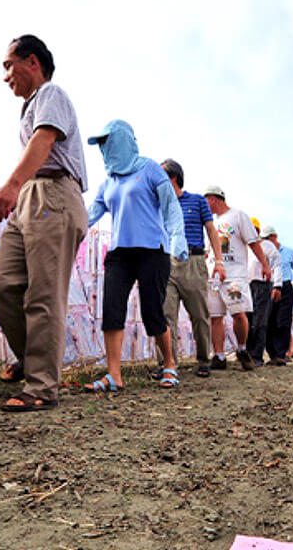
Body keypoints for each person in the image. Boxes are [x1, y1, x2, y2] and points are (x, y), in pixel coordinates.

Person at [0, 35, 88, 412]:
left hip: (53, 196)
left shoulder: (51, 94)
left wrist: (12, 184)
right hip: (32, 197)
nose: (6, 76)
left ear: (32, 62)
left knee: (43, 294)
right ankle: (33, 361)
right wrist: (15, 191)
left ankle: (42, 386)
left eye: (9, 65)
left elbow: (44, 141)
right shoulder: (29, 107)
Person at [85, 120, 187, 392]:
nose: (104, 149)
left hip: (152, 251)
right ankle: (114, 375)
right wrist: (65, 231)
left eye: (108, 142)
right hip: (120, 253)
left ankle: (169, 364)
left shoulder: (151, 169)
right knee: (112, 309)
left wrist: (178, 239)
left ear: (123, 140)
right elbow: (90, 214)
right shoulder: (108, 181)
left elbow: (171, 208)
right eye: (101, 145)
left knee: (152, 311)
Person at [157, 159, 226, 378]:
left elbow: (211, 231)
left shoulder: (197, 201)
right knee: (166, 315)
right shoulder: (158, 205)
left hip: (193, 262)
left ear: (173, 178)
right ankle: (167, 363)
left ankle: (204, 359)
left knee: (199, 314)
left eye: (161, 176)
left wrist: (219, 260)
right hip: (165, 263)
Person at [203, 186, 272, 371]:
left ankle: (242, 348)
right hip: (214, 277)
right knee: (215, 316)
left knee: (239, 314)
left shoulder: (239, 216)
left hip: (234, 275)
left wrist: (265, 265)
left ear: (213, 199)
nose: (205, 204)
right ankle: (219, 355)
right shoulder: (210, 223)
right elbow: (208, 250)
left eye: (206, 200)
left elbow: (253, 242)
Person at [264, 227, 293, 366]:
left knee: (283, 321)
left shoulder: (289, 252)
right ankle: (272, 354)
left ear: (274, 236)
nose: (265, 241)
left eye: (267, 238)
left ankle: (281, 354)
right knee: (269, 321)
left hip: (285, 287)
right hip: (268, 287)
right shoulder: (262, 251)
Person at [245, 221, 282, 367]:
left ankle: (256, 356)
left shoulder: (267, 246)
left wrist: (277, 286)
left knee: (260, 321)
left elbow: (276, 266)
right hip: (245, 285)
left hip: (262, 284)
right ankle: (246, 353)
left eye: (253, 229)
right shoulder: (243, 246)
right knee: (246, 320)